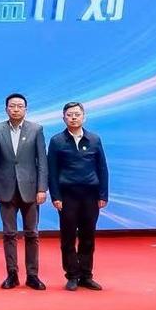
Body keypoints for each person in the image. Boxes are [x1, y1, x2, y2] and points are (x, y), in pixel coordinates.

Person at [47, 101, 108, 291]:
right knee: (68, 237)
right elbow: (52, 171)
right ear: (63, 118)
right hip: (67, 196)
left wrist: (103, 194)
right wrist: (55, 196)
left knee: (88, 236)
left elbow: (102, 168)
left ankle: (86, 275)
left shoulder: (94, 139)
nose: (73, 118)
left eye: (77, 114)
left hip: (90, 195)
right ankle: (72, 275)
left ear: (84, 117)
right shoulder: (57, 141)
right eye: (69, 115)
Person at [0, 92, 48, 290]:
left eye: (19, 106)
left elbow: (42, 161)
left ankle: (32, 275)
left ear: (26, 109)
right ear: (6, 109)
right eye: (12, 106)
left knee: (32, 233)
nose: (16, 109)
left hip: (30, 190)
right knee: (9, 234)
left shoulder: (36, 129)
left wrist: (42, 188)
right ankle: (12, 274)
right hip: (6, 189)